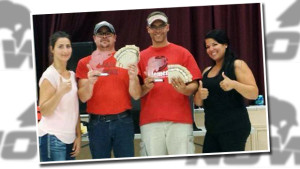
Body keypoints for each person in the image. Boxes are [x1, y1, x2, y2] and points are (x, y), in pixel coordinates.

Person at [137, 11, 202, 156]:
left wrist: (185, 89)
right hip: (151, 121)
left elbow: (195, 84)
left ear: (168, 27)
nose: (158, 30)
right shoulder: (140, 57)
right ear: (148, 29)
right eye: (154, 26)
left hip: (180, 120)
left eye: (161, 26)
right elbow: (136, 92)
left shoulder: (183, 53)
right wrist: (145, 87)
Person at [76, 21, 141, 158]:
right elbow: (83, 97)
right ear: (94, 38)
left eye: (108, 33)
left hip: (123, 122)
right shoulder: (84, 63)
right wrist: (91, 83)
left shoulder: (128, 60)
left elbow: (136, 95)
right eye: (100, 33)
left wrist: (133, 78)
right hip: (97, 125)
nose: (104, 36)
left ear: (115, 37)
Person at [194, 29, 259, 153]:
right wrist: (200, 95)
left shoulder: (237, 65)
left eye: (214, 44)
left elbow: (254, 93)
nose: (211, 49)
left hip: (234, 128)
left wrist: (234, 84)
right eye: (207, 46)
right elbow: (198, 102)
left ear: (225, 44)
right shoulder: (206, 71)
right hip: (213, 129)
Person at [38, 31, 81, 161]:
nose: (65, 50)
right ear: (52, 49)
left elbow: (75, 108)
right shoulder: (49, 76)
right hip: (52, 137)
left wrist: (78, 135)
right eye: (60, 46)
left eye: (68, 46)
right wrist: (60, 92)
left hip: (70, 139)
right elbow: (44, 110)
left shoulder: (72, 75)